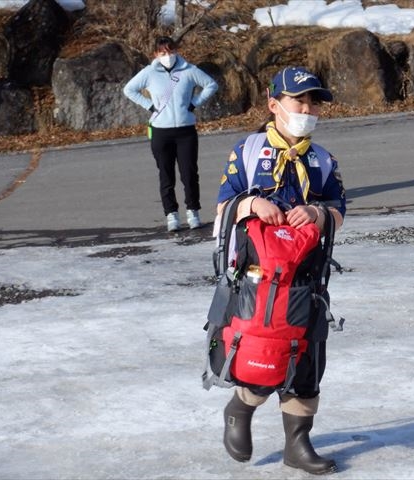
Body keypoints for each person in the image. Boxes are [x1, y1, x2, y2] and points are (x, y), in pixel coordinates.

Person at [214, 66, 346, 475]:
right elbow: (222, 208)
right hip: (257, 275)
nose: (307, 109)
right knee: (261, 352)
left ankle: (298, 443)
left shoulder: (323, 160)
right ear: (274, 105)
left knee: (306, 360)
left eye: (313, 102)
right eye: (298, 101)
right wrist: (251, 204)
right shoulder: (248, 151)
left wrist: (318, 212)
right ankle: (239, 409)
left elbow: (340, 210)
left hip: (307, 277)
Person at [123, 36, 218, 232]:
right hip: (160, 131)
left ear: (176, 51)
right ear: (156, 54)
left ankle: (193, 211)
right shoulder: (149, 73)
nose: (168, 56)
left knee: (189, 173)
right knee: (166, 175)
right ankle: (171, 214)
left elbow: (211, 85)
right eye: (163, 52)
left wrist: (194, 103)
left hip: (185, 131)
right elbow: (129, 89)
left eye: (171, 51)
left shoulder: (189, 70)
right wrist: (149, 106)